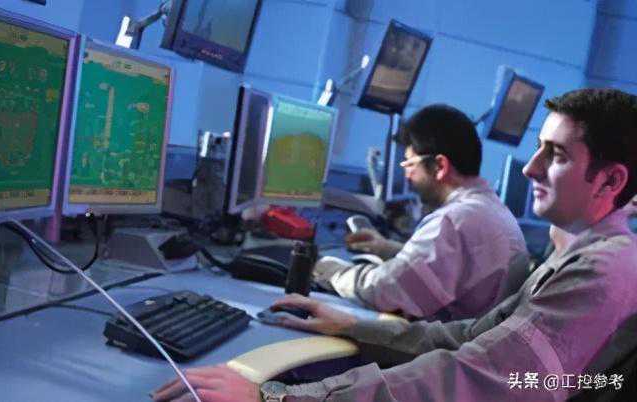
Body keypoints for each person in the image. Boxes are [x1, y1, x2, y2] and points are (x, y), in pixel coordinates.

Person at [152, 88, 637, 402]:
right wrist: (356, 327)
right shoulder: (581, 252)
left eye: (555, 155)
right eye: (538, 149)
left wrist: (277, 397)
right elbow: (470, 337)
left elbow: (476, 378)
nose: (530, 168)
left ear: (610, 180)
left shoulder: (601, 272)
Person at [314, 104, 529, 320]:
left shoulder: (454, 220)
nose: (407, 175)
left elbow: (384, 291)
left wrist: (328, 270)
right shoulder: (492, 209)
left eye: (409, 164)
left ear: (439, 166)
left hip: (448, 339)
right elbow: (449, 265)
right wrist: (388, 249)